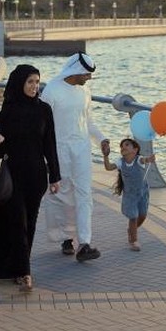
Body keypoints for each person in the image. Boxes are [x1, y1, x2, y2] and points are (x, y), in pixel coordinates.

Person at [0, 64, 61, 292]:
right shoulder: (9, 109)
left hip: (36, 177)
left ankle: (19, 268)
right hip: (12, 176)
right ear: (19, 83)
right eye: (30, 82)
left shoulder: (44, 110)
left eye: (37, 82)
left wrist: (55, 176)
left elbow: (50, 145)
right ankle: (24, 273)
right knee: (17, 222)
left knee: (30, 223)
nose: (34, 87)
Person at [40, 52, 110, 262]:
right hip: (58, 150)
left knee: (84, 195)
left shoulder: (84, 91)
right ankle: (66, 238)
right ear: (76, 71)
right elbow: (42, 126)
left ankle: (85, 243)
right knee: (61, 195)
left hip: (81, 150)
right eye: (86, 75)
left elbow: (88, 121)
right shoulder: (51, 90)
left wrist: (102, 139)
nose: (88, 78)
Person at [102, 138, 156, 252]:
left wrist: (150, 159)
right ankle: (134, 240)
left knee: (143, 215)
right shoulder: (121, 162)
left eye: (127, 145)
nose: (123, 147)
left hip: (142, 192)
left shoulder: (138, 160)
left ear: (135, 150)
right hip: (130, 195)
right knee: (133, 217)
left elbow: (144, 160)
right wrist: (105, 156)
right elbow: (108, 167)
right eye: (121, 146)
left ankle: (132, 230)